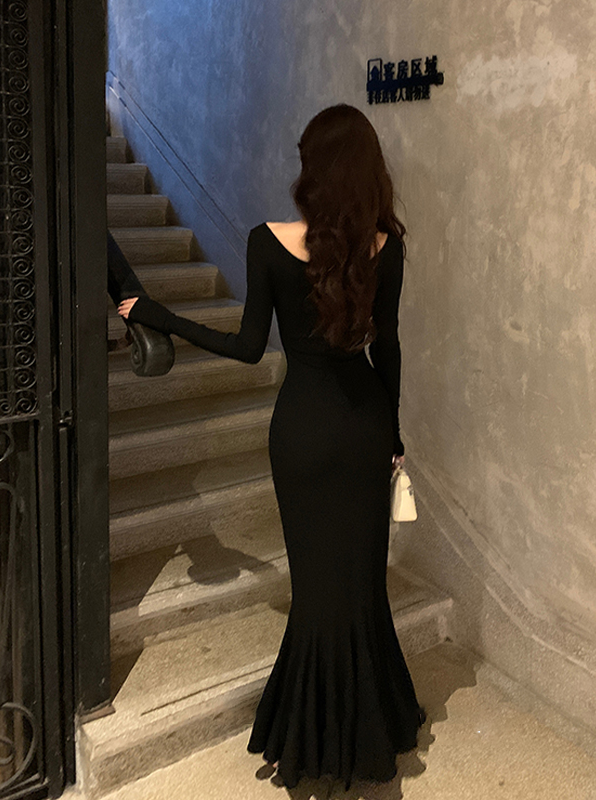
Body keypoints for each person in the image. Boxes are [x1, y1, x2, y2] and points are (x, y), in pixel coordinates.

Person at [117, 103, 425, 790]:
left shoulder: (266, 242)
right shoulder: (386, 248)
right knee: (361, 585)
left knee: (316, 592)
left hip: (303, 434)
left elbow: (249, 347)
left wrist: (160, 315)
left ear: (314, 170)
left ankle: (313, 740)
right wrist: (395, 436)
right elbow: (389, 349)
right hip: (365, 428)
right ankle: (374, 728)